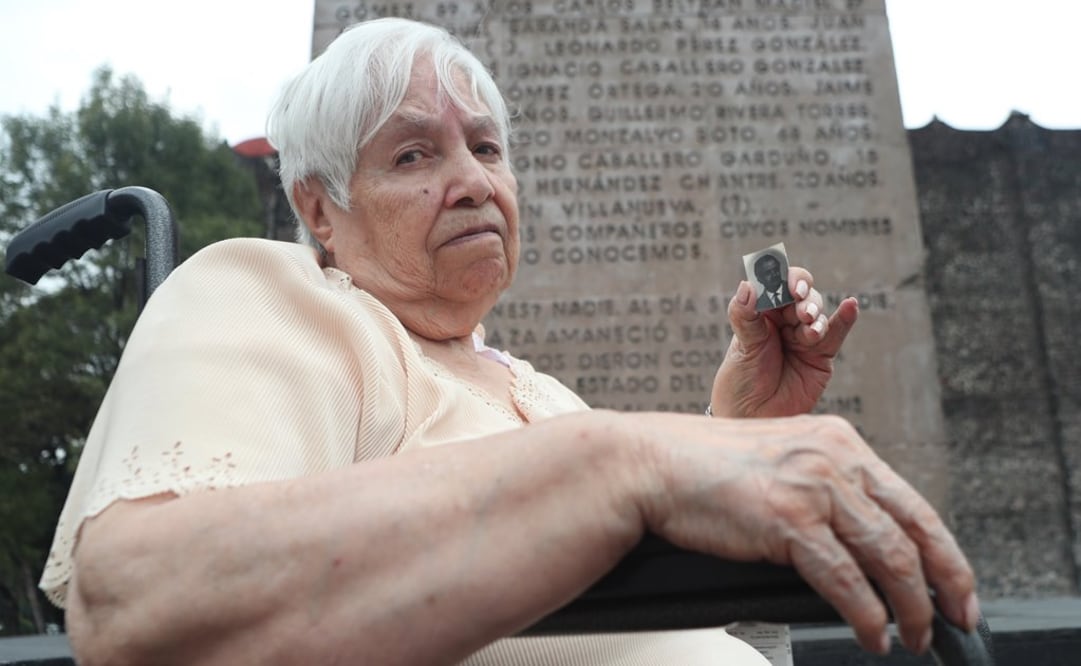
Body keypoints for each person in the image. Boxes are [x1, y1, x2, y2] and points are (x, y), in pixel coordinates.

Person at [42, 17, 979, 666]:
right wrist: (618, 462)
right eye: (414, 155)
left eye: (486, 150)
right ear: (319, 208)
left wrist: (729, 437)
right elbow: (136, 605)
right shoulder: (276, 297)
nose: (471, 181)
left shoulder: (536, 391)